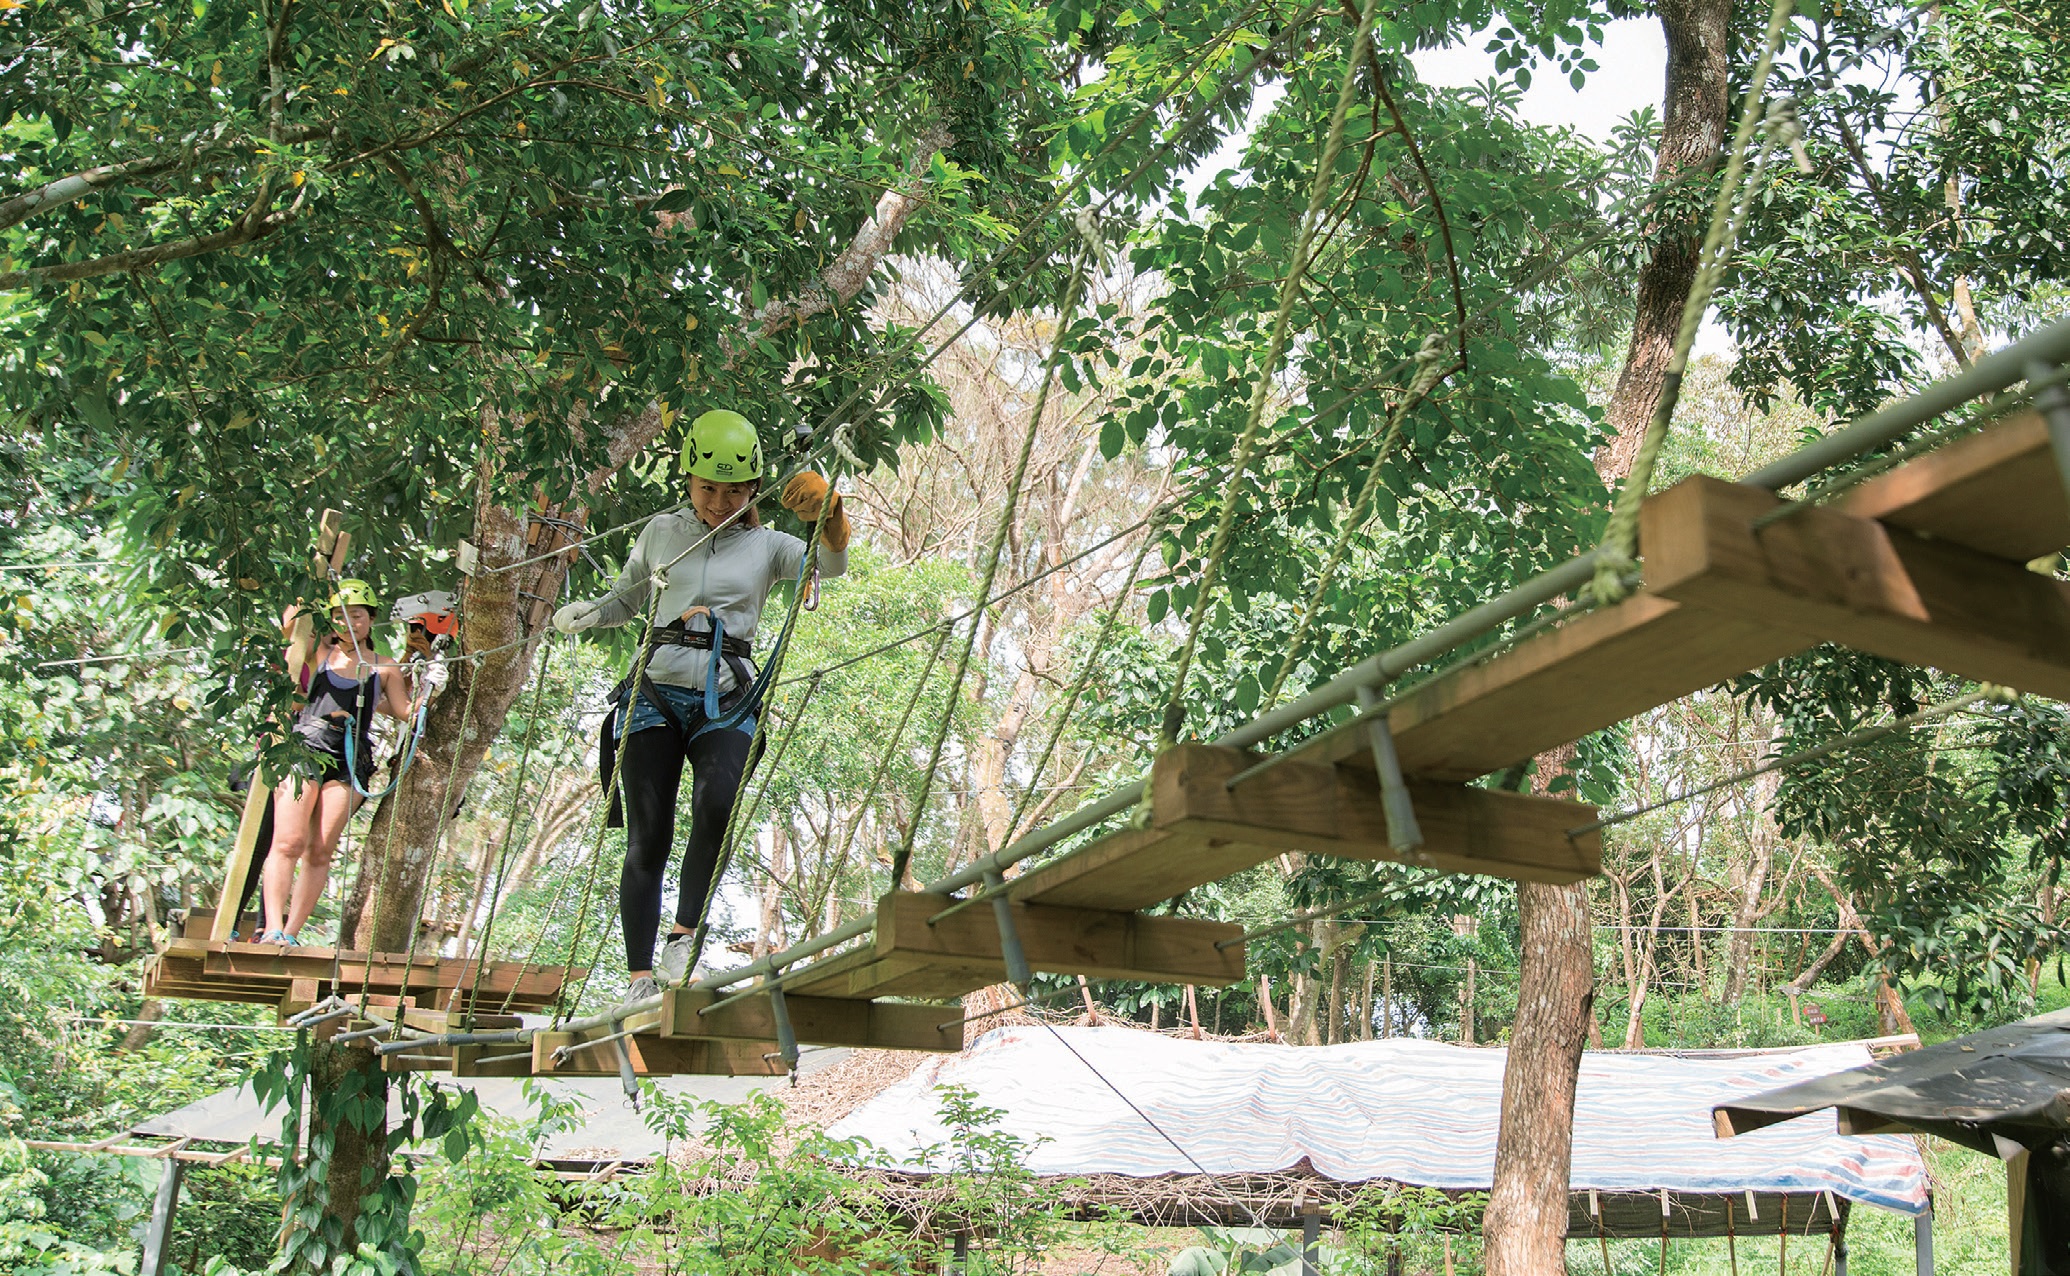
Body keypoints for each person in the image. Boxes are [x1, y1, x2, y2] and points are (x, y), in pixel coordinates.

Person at [553, 409, 849, 1003]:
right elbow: (628, 597)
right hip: (655, 691)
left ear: (752, 487)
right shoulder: (661, 531)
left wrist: (830, 517)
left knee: (716, 803)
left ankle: (683, 937)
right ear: (688, 480)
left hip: (728, 696)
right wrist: (587, 614)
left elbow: (830, 567)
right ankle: (639, 978)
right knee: (649, 832)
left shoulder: (769, 545)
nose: (719, 501)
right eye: (708, 488)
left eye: (734, 489)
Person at [258, 578, 419, 945]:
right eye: (341, 616)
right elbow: (291, 645)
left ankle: (293, 933)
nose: (349, 623)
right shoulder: (318, 654)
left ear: (371, 619)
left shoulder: (384, 666)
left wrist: (430, 684)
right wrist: (296, 616)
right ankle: (272, 928)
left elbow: (404, 711)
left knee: (321, 848)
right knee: (288, 841)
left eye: (357, 616)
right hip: (305, 749)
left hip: (349, 758)